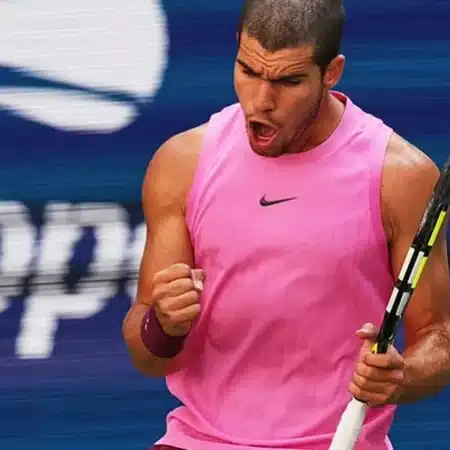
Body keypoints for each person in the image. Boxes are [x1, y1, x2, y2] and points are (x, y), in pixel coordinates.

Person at [122, 0, 450, 449]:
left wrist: (401, 376)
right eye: (248, 71)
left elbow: (439, 337)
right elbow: (147, 357)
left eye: (288, 81)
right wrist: (162, 326)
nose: (261, 101)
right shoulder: (181, 163)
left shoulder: (400, 177)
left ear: (331, 72)